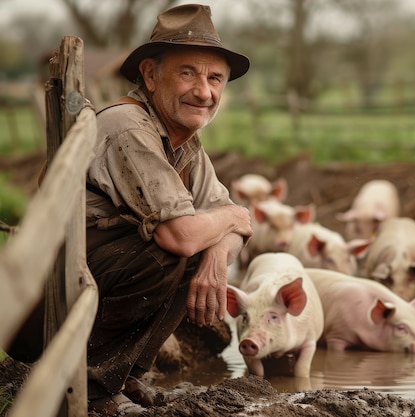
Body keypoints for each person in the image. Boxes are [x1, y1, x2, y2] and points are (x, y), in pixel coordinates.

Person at [84, 4, 252, 415]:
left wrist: (216, 252)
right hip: (57, 281)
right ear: (150, 75)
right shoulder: (129, 126)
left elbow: (231, 220)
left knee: (197, 248)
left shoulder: (185, 143)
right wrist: (230, 220)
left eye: (215, 78)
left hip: (94, 268)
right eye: (187, 73)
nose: (204, 92)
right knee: (173, 250)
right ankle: (93, 387)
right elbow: (187, 233)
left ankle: (123, 376)